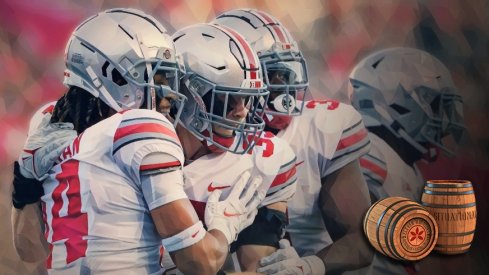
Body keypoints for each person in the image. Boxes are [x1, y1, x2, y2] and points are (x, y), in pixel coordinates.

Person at [11, 9, 264, 274]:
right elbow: (199, 262)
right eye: (158, 76)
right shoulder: (143, 128)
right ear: (113, 75)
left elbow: (31, 251)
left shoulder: (57, 134)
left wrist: (26, 181)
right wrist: (224, 227)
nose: (170, 91)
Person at [213, 9, 373, 275]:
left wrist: (309, 266)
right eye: (270, 74)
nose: (283, 86)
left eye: (285, 73)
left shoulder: (320, 128)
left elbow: (363, 239)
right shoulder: (201, 136)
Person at [160, 23, 298, 274]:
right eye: (227, 97)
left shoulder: (257, 160)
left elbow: (257, 267)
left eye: (245, 97)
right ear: (185, 94)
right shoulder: (140, 143)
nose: (242, 110)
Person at [347, 47, 466, 274]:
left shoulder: (404, 167)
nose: (441, 120)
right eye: (433, 105)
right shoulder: (370, 157)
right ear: (396, 104)